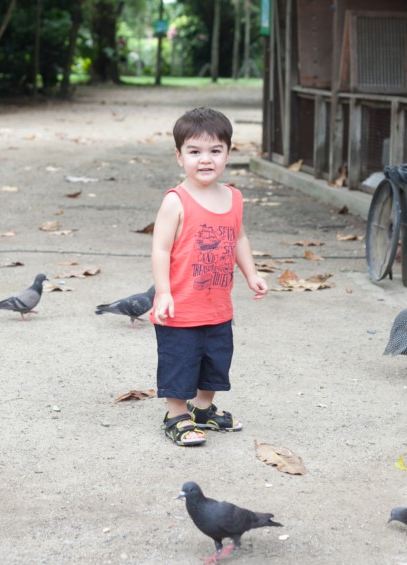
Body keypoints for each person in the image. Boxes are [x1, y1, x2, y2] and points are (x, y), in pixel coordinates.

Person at [150, 107, 268, 446]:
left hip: (217, 305)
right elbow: (160, 250)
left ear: (228, 154)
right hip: (180, 308)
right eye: (195, 151)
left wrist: (251, 273)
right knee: (180, 362)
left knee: (216, 362)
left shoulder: (233, 197)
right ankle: (176, 415)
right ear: (179, 156)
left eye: (215, 151)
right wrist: (164, 293)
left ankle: (203, 408)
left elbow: (239, 238)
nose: (206, 160)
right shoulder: (176, 201)